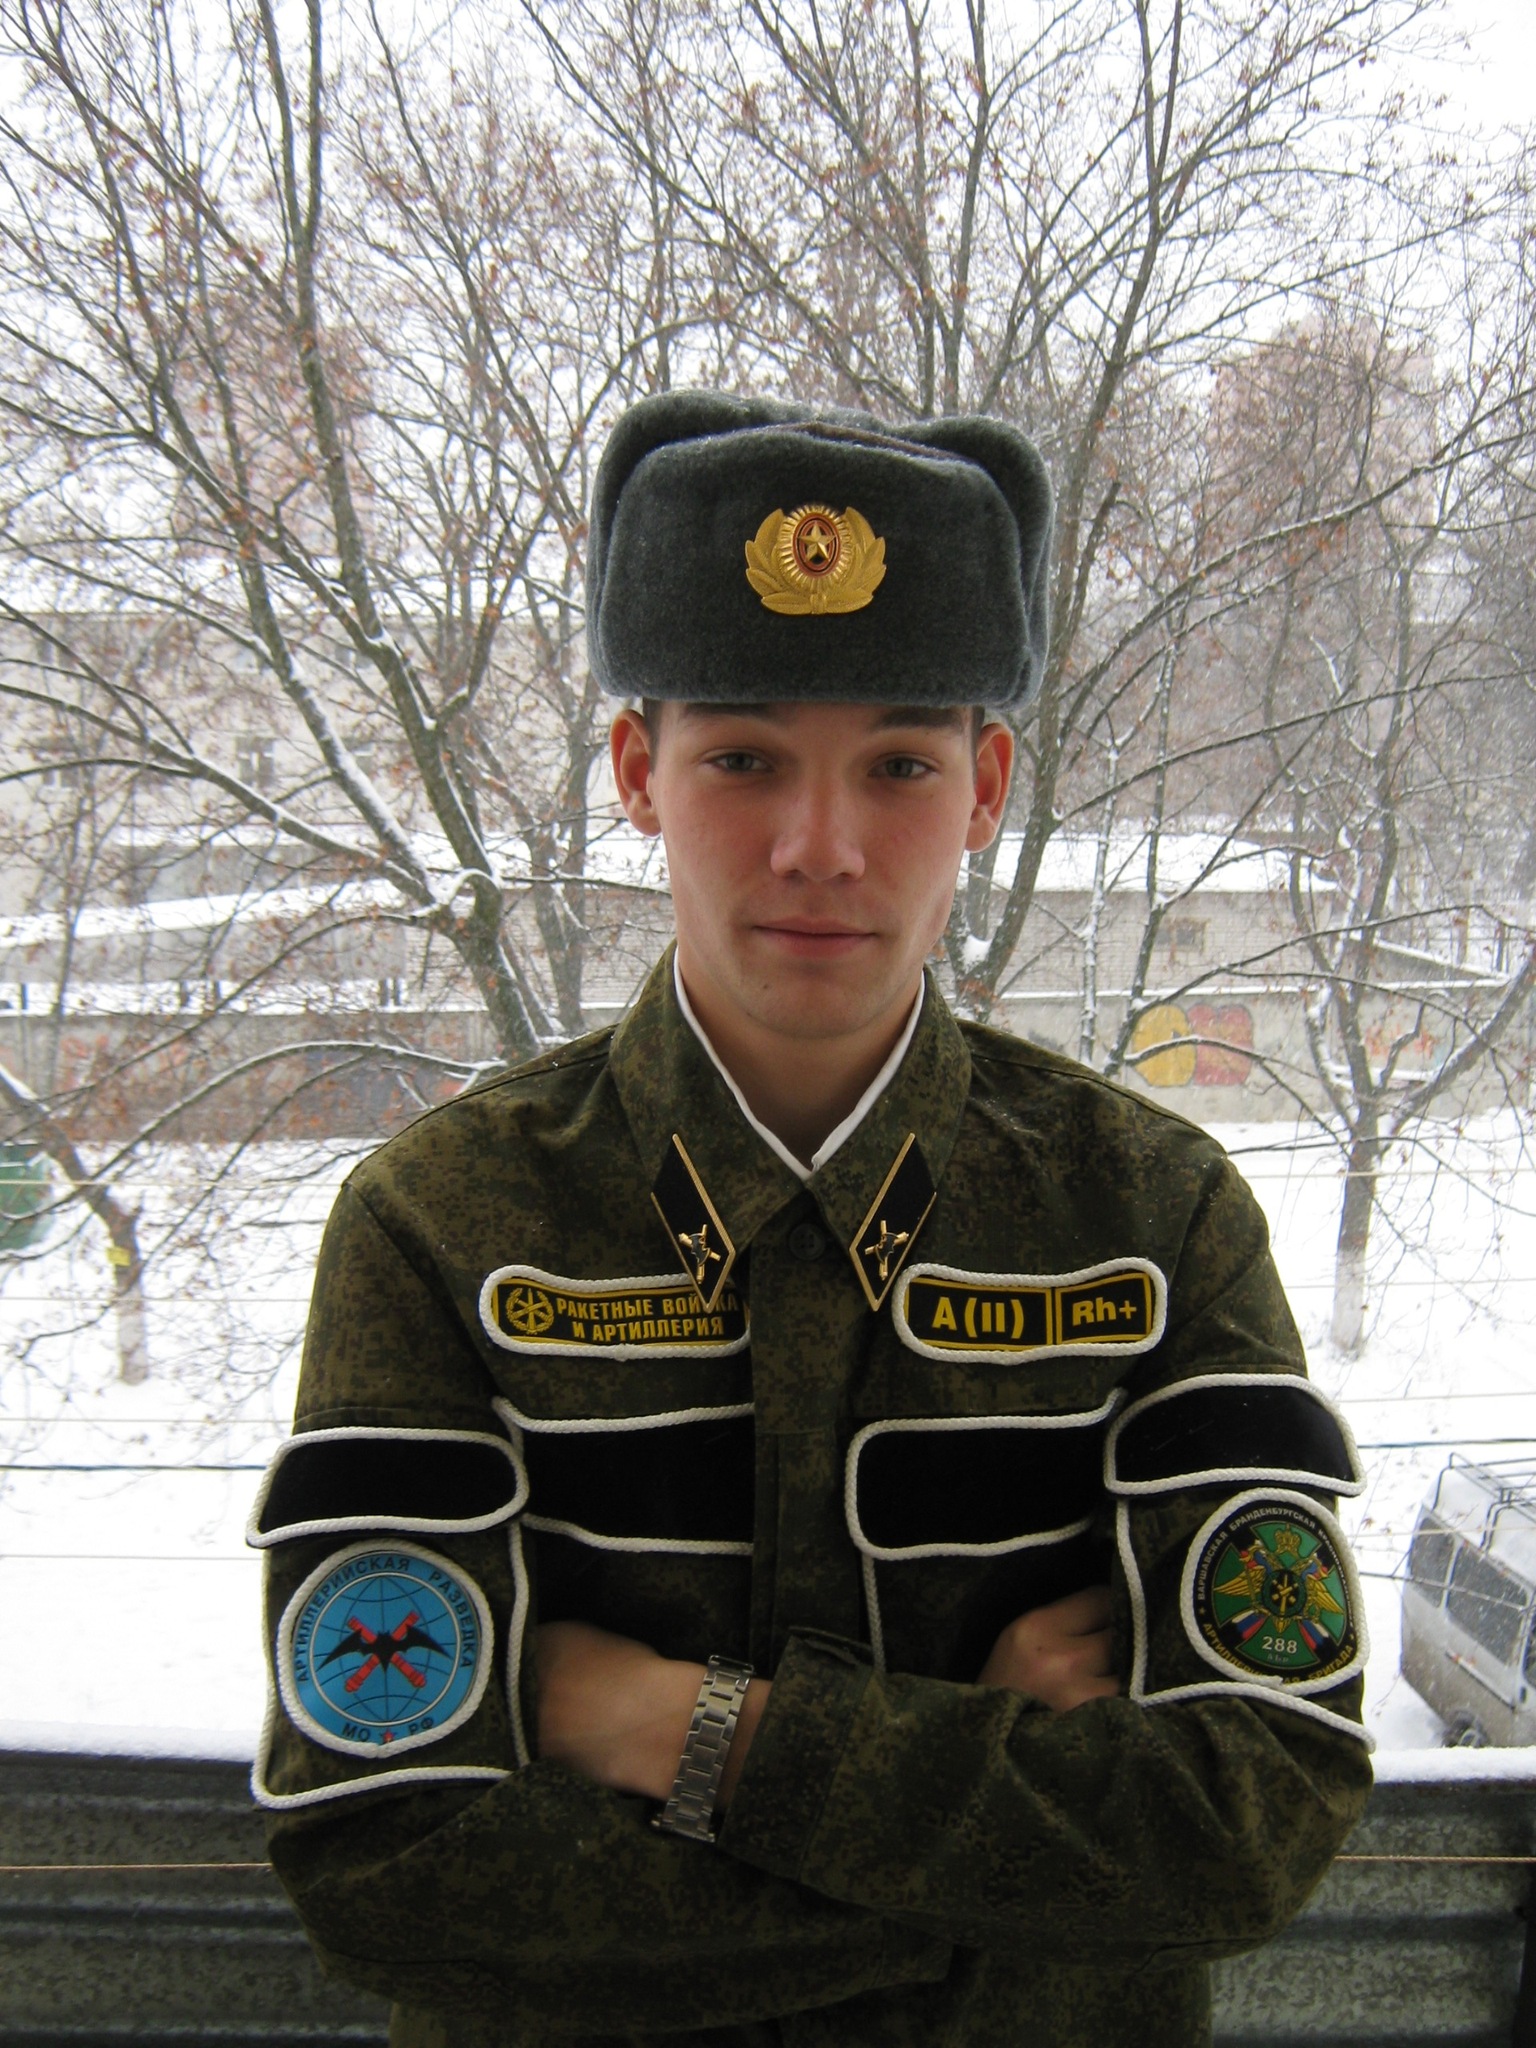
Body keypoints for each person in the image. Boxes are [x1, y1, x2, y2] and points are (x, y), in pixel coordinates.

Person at [250, 392, 1372, 2048]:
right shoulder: (444, 1226)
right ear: (640, 771)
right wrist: (988, 1814)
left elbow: (1248, 1820)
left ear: (986, 788)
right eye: (744, 759)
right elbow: (392, 1868)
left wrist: (659, 1724)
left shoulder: (1150, 1217)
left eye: (900, 765)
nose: (820, 847)